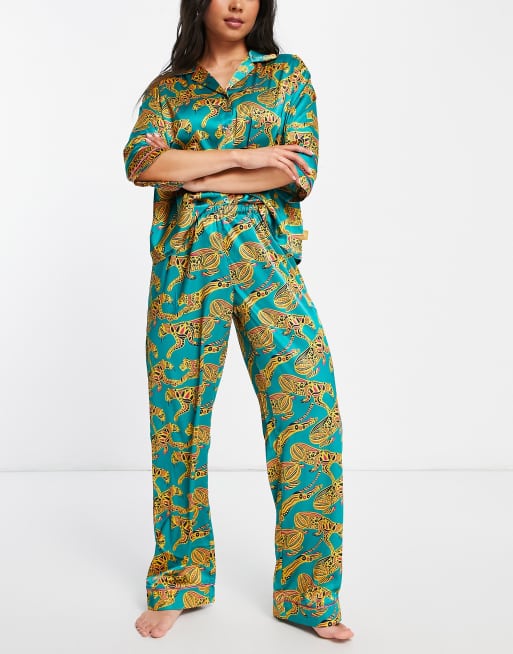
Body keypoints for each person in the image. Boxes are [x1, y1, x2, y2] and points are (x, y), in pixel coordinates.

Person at [122, 0, 353, 642]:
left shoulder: (287, 76)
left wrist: (196, 172)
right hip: (185, 264)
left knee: (309, 414)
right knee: (177, 424)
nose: (236, 4)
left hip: (266, 262)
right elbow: (142, 163)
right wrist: (249, 158)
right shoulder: (168, 90)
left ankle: (308, 595)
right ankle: (179, 579)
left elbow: (297, 168)